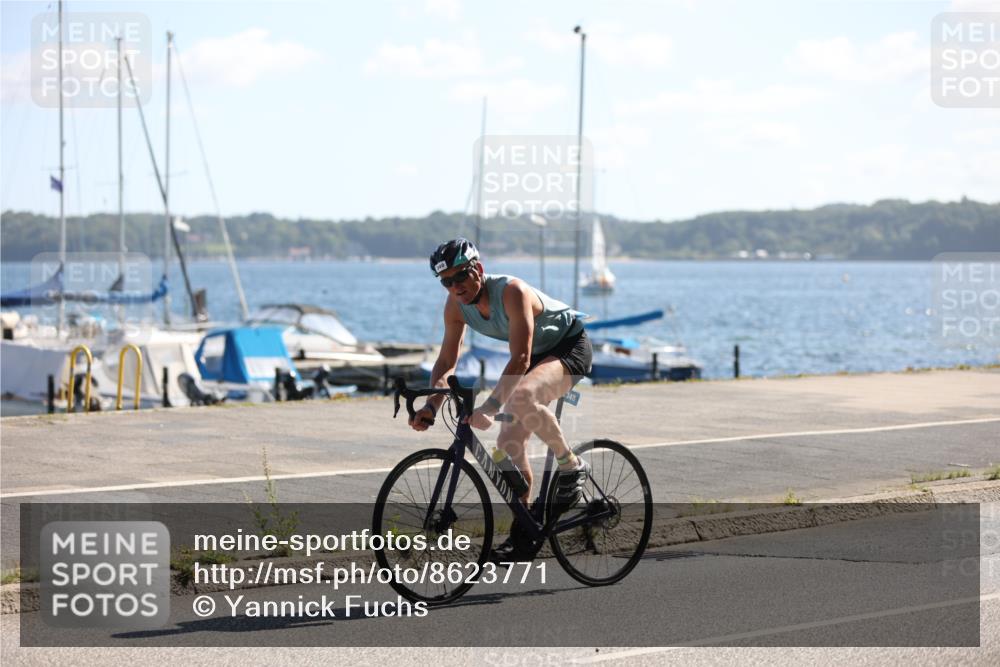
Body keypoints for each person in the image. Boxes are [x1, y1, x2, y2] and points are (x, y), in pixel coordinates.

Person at [410, 238, 593, 561]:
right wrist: (430, 406)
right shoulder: (456, 306)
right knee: (507, 448)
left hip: (568, 347)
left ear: (478, 269)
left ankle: (572, 466)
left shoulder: (512, 292)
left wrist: (490, 407)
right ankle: (525, 535)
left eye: (461, 276)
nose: (455, 286)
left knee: (521, 397)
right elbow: (446, 362)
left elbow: (520, 358)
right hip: (535, 358)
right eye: (446, 281)